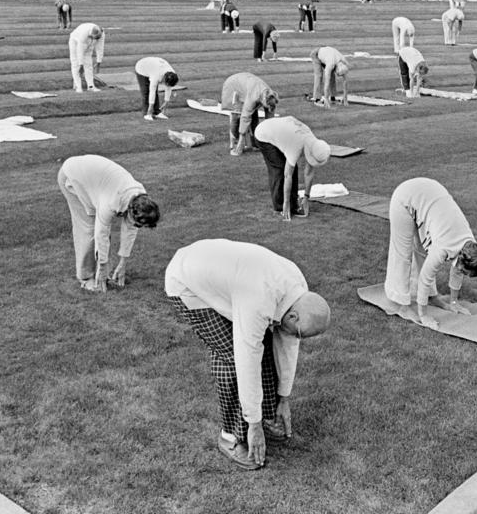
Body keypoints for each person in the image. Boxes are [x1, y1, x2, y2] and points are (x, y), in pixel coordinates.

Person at [164, 238, 331, 470]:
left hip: (227, 276)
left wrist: (284, 398)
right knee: (232, 356)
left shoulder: (298, 290)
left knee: (265, 340)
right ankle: (229, 437)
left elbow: (287, 345)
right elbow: (247, 358)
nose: (298, 339)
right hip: (187, 281)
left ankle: (264, 416)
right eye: (300, 334)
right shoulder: (259, 297)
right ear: (293, 318)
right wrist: (253, 424)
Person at [382, 178, 477, 329]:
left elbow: (458, 270)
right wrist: (424, 315)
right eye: (465, 271)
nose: (463, 273)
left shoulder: (469, 244)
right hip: (405, 197)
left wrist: (454, 302)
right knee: (403, 255)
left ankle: (432, 297)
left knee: (422, 251)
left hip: (428, 196)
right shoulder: (443, 247)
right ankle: (402, 306)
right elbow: (425, 278)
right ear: (461, 259)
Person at [57, 154, 161, 292]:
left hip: (95, 178)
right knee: (88, 227)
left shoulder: (140, 196)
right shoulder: (111, 201)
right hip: (72, 175)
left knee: (99, 231)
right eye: (137, 224)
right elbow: (101, 235)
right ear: (130, 212)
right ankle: (87, 278)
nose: (136, 227)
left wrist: (123, 264)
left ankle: (105, 274)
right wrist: (102, 265)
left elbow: (130, 230)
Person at [254, 116, 331, 220]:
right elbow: (287, 175)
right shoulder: (296, 145)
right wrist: (286, 202)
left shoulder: (313, 142)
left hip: (281, 134)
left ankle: (293, 204)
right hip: (264, 134)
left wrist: (306, 197)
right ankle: (280, 208)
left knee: (292, 167)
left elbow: (309, 172)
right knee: (280, 169)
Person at [221, 72, 278, 156]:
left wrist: (271, 138)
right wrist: (242, 137)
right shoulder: (254, 96)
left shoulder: (271, 96)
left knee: (254, 114)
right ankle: (235, 145)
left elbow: (270, 118)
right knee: (237, 116)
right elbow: (245, 117)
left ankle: (255, 143)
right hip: (234, 85)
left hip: (248, 84)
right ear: (264, 101)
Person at [135, 56, 179, 121]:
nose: (167, 85)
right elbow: (152, 91)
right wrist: (150, 107)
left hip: (153, 66)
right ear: (164, 79)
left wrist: (166, 102)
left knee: (155, 92)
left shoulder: (172, 75)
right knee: (146, 92)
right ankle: (147, 114)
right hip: (142, 67)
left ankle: (156, 112)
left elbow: (168, 87)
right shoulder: (156, 76)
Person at [68, 22, 106, 92]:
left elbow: (100, 47)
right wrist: (81, 64)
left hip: (89, 44)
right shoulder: (83, 33)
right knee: (75, 64)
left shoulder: (102, 34)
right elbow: (80, 50)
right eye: (93, 37)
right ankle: (78, 87)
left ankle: (91, 86)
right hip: (75, 42)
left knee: (89, 64)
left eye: (95, 38)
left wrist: (99, 62)